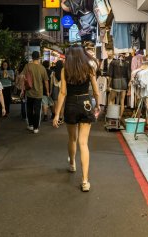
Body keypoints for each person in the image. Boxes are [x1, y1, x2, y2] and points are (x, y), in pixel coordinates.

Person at [52, 45, 100, 192]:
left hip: (71, 104)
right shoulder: (89, 68)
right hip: (86, 103)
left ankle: (72, 164)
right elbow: (96, 91)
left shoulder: (65, 70)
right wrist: (97, 105)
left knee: (72, 138)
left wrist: (56, 114)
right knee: (83, 143)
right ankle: (85, 181)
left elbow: (62, 93)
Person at [21, 51, 49, 133]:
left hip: (29, 92)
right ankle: (36, 128)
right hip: (39, 93)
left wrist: (22, 89)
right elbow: (46, 81)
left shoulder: (27, 66)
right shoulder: (42, 68)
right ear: (39, 57)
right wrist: (47, 91)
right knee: (37, 110)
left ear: (32, 57)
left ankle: (30, 125)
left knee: (29, 109)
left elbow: (22, 76)